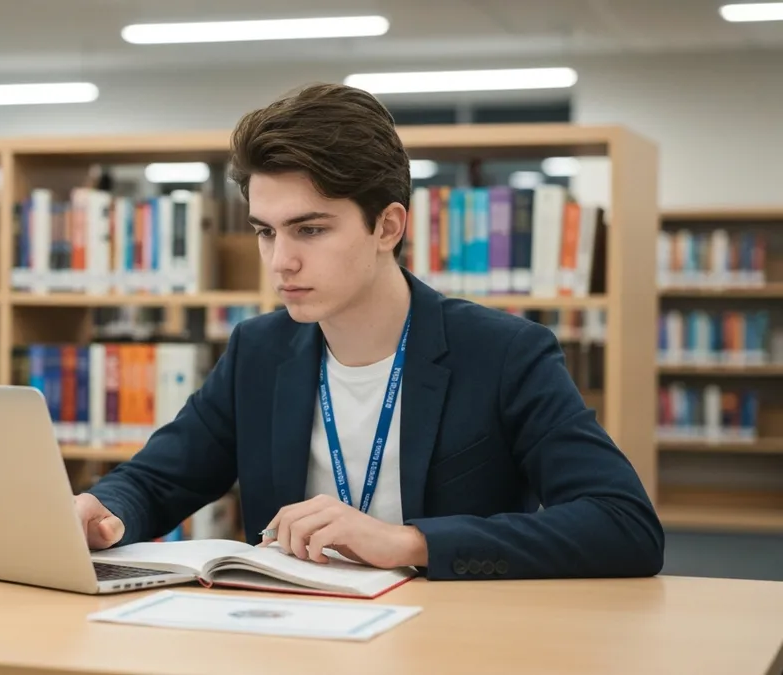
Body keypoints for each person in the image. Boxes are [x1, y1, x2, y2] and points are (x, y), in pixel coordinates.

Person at [74, 82, 665, 580]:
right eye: (265, 231)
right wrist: (103, 511)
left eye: (308, 230)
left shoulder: (504, 352)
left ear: (388, 226)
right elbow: (156, 480)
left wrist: (413, 542)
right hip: (290, 641)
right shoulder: (259, 350)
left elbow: (623, 523)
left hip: (448, 646)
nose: (280, 262)